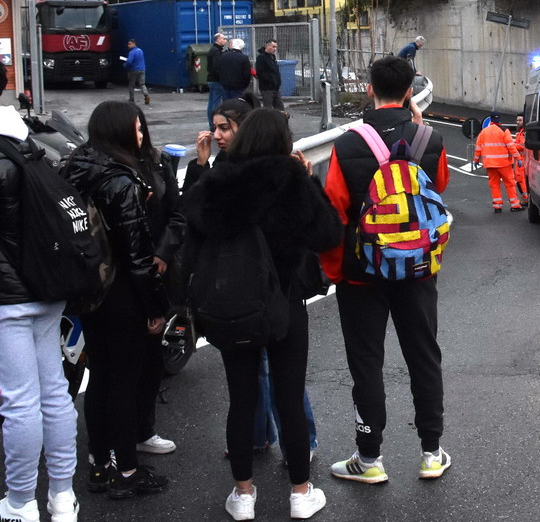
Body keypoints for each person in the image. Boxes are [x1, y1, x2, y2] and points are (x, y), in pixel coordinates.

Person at [182, 109, 342, 520]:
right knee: (289, 397)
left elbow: (191, 225)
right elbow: (328, 233)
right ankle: (301, 493)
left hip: (233, 305)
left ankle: (244, 494)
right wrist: (307, 179)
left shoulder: (220, 182)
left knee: (241, 398)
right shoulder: (289, 179)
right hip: (285, 304)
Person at [321, 55, 451, 486]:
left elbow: (336, 210)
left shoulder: (347, 144)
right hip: (417, 269)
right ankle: (431, 452)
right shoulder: (428, 139)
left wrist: (336, 272)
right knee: (423, 356)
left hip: (362, 274)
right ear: (410, 91)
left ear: (367, 89)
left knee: (366, 363)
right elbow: (439, 191)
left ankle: (369, 457)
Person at [0, 51, 79, 522]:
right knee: (53, 394)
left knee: (18, 402)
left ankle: (20, 504)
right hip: (48, 283)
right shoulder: (26, 142)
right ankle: (63, 498)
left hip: (3, 296)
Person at [60, 101, 170, 500]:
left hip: (88, 290)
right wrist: (155, 308)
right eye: (137, 129)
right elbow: (137, 256)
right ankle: (127, 470)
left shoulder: (74, 167)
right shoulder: (122, 181)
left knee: (100, 379)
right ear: (121, 132)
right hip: (122, 292)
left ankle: (99, 466)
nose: (142, 136)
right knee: (124, 382)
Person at [133, 107, 185, 459]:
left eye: (140, 128)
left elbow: (177, 213)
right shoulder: (102, 170)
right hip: (121, 279)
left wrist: (164, 254)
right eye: (131, 130)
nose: (138, 136)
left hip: (157, 272)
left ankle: (144, 429)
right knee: (119, 364)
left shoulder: (157, 162)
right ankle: (108, 443)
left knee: (152, 357)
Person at [183, 98, 251, 192]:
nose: (216, 135)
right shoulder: (224, 157)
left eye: (224, 128)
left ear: (244, 128)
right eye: (215, 128)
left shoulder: (255, 166)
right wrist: (201, 163)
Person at [474, 114, 522, 213]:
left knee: (494, 184)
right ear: (499, 119)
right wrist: (518, 158)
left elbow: (478, 147)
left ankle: (497, 206)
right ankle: (515, 205)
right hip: (504, 163)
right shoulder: (504, 130)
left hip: (490, 164)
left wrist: (476, 160)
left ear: (490, 120)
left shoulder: (484, 132)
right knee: (510, 183)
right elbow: (511, 147)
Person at [216, 39, 252, 103]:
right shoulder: (244, 58)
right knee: (236, 104)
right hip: (239, 86)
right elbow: (247, 74)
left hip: (225, 85)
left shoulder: (223, 56)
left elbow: (218, 70)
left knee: (226, 103)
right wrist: (245, 84)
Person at [256, 39, 286, 112]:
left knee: (280, 108)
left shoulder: (272, 57)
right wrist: (271, 80)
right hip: (267, 88)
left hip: (275, 88)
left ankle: (280, 122)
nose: (275, 49)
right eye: (273, 47)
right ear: (267, 46)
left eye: (276, 47)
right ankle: (268, 122)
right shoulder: (261, 57)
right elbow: (260, 73)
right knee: (268, 109)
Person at [206, 32, 228, 131]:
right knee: (215, 103)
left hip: (211, 79)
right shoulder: (216, 51)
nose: (225, 40)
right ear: (218, 40)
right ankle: (214, 124)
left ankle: (212, 124)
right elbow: (216, 66)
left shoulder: (214, 50)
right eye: (223, 39)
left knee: (212, 103)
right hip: (216, 80)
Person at [125, 39, 149, 105]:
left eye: (129, 44)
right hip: (142, 69)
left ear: (133, 44)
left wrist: (125, 65)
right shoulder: (140, 50)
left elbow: (129, 61)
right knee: (142, 84)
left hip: (134, 70)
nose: (128, 45)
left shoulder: (132, 52)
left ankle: (131, 99)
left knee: (131, 85)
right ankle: (146, 96)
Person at [512, 114, 528, 206]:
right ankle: (525, 199)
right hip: (520, 160)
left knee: (522, 181)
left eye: (520, 120)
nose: (518, 122)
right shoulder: (521, 132)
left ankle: (526, 200)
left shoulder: (524, 133)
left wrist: (512, 145)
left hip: (522, 160)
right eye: (517, 120)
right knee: (520, 180)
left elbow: (522, 146)